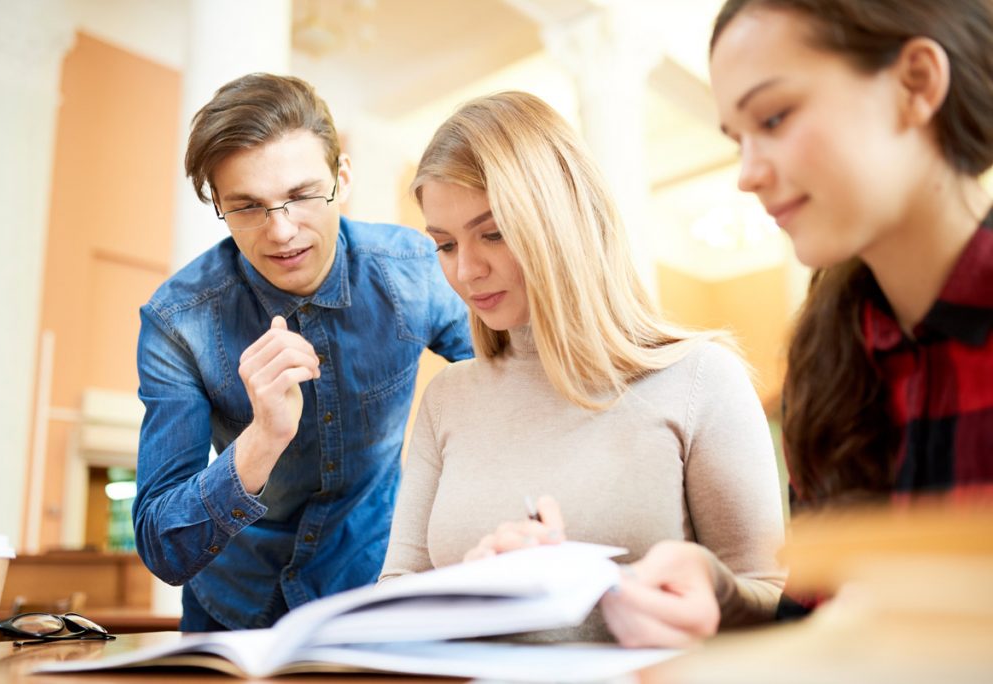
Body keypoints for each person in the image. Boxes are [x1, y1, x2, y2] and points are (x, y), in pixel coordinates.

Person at [605, 0, 993, 646]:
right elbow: (816, 627)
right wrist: (722, 595)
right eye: (738, 139)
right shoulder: (829, 362)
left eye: (775, 118)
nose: (748, 175)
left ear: (917, 83)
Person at [378, 91, 787, 644]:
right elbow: (395, 594)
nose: (467, 270)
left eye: (493, 233)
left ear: (560, 219)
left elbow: (770, 594)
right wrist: (468, 591)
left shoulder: (701, 380)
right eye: (445, 245)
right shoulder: (448, 397)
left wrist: (703, 593)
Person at [133, 73, 473, 631]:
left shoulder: (416, 270)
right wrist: (261, 440)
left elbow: (508, 387)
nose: (282, 231)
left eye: (301, 195)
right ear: (218, 203)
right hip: (232, 609)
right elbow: (162, 547)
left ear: (342, 177)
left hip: (373, 594)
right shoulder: (178, 322)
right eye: (248, 206)